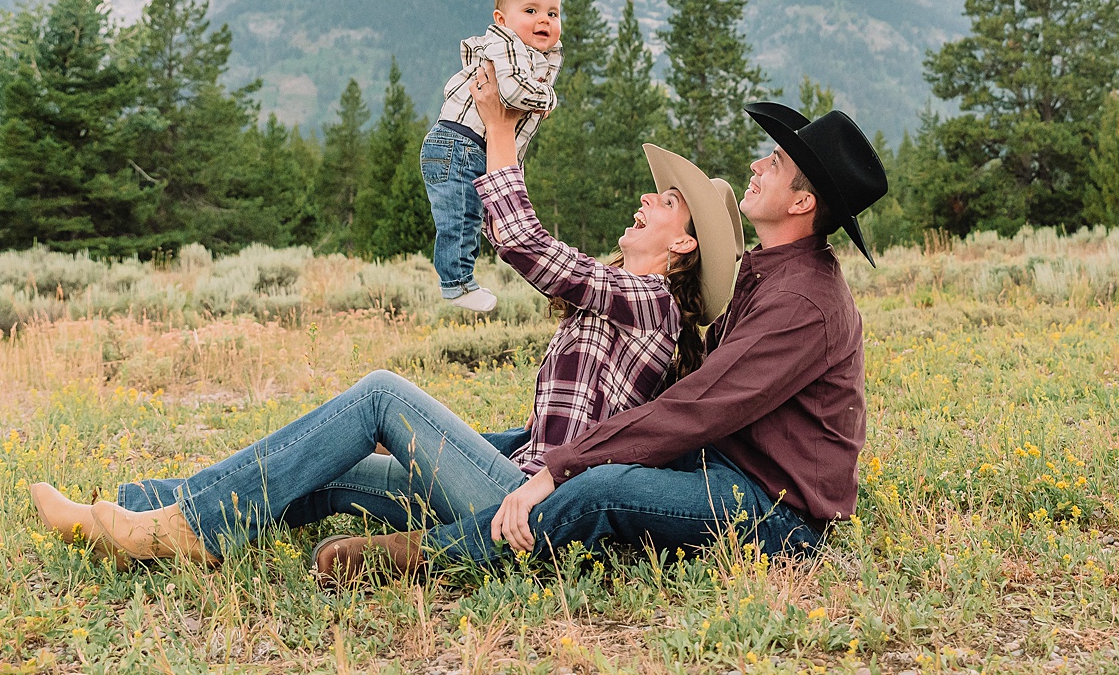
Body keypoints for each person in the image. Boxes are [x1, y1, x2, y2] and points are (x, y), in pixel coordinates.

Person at [27, 59, 743, 573]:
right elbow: (549, 425)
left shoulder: (652, 304)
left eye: (666, 202)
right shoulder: (622, 298)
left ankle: (180, 531)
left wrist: (498, 128)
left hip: (522, 509)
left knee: (379, 394)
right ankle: (133, 513)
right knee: (325, 465)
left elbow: (526, 244)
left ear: (683, 245)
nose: (646, 200)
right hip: (511, 481)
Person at [316, 97, 891, 580]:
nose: (758, 163)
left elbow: (700, 405)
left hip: (772, 510)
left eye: (777, 161)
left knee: (600, 487)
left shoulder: (802, 302)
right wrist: (548, 455)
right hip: (716, 465)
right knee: (549, 457)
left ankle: (431, 556)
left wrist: (559, 469)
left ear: (802, 202)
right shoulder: (773, 276)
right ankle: (301, 493)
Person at [426, 0, 563, 312]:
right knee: (460, 217)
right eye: (530, 11)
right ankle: (457, 284)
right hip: (460, 143)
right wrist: (548, 98)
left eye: (552, 13)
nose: (544, 20)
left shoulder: (532, 55)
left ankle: (466, 279)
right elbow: (514, 92)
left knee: (478, 216)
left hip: (473, 146)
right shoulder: (506, 45)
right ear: (502, 20)